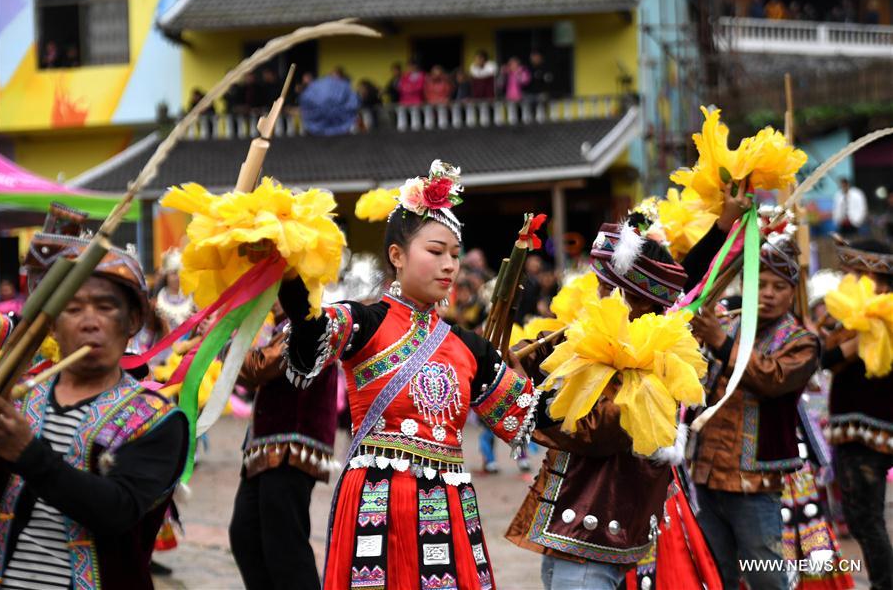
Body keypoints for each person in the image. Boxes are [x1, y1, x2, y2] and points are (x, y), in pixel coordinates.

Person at [280, 161, 540, 589]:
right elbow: (309, 336)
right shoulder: (364, 323)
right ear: (397, 256)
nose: (449, 266)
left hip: (448, 509)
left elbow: (535, 416)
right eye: (435, 252)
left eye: (455, 255)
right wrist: (289, 272)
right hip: (375, 508)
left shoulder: (470, 348)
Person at [0, 204, 188, 589]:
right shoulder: (17, 399)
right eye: (73, 308)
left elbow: (117, 510)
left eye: (104, 307)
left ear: (132, 322)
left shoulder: (158, 419)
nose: (89, 321)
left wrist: (28, 453)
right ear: (52, 324)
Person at [506, 215, 694, 590]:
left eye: (610, 291)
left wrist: (520, 396)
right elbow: (533, 355)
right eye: (602, 288)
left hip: (597, 527)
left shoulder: (657, 361)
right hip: (569, 521)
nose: (600, 299)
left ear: (639, 301)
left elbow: (597, 429)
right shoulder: (598, 343)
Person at [689, 235, 820, 590]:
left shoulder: (802, 341)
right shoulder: (729, 324)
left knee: (765, 576)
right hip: (707, 472)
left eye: (779, 286)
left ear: (793, 292)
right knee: (715, 576)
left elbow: (771, 379)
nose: (768, 293)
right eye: (760, 284)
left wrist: (719, 343)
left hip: (754, 482)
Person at [229, 316, 339, 590]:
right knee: (245, 535)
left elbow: (259, 368)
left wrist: (225, 345)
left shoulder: (309, 321)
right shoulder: (278, 327)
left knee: (284, 546)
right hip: (264, 447)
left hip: (293, 447)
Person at [824, 238, 893, 589]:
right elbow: (825, 360)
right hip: (850, 427)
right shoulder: (844, 313)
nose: (850, 280)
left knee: (867, 518)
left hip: (875, 432)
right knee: (858, 517)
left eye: (858, 274)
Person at [155, 248, 196, 332]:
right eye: (173, 273)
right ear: (166, 275)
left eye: (180, 273)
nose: (177, 277)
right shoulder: (157, 303)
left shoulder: (193, 299)